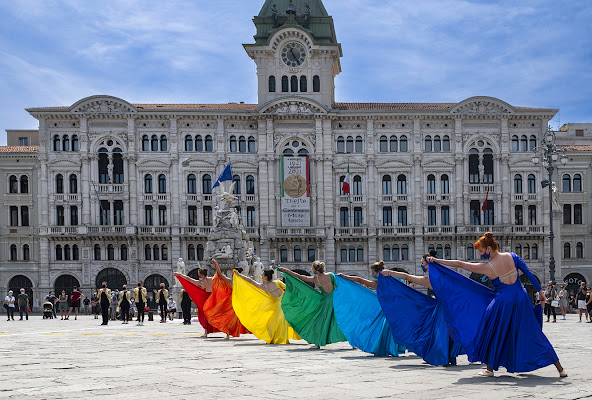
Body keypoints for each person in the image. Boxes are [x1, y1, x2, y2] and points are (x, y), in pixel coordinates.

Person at [426, 232, 566, 378]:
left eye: (481, 251)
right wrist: (540, 292)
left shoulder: (489, 266)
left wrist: (437, 261)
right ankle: (560, 369)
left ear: (488, 248)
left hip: (504, 300)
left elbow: (460, 264)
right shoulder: (512, 256)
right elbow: (529, 273)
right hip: (522, 297)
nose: (480, 254)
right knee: (532, 332)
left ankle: (490, 369)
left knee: (492, 330)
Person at [379, 256, 462, 365]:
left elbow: (407, 276)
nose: (422, 266)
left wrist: (389, 273)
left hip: (441, 311)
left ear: (429, 265)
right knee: (446, 333)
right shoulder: (444, 279)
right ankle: (449, 357)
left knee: (439, 333)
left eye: (423, 263)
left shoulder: (429, 280)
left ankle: (442, 357)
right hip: (450, 309)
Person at [334, 261, 406, 357]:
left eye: (372, 273)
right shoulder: (384, 281)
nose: (372, 275)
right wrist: (346, 277)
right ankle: (387, 349)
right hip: (391, 307)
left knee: (387, 328)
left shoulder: (387, 281)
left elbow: (361, 280)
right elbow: (360, 280)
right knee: (387, 328)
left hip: (392, 308)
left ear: (378, 272)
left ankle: (385, 349)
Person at [279, 261, 347, 349]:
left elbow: (299, 277)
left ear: (315, 269)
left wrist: (286, 270)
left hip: (326, 303)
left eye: (312, 268)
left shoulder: (316, 279)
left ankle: (318, 343)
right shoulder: (331, 275)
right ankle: (353, 342)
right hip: (336, 300)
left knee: (320, 323)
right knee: (343, 320)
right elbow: (338, 286)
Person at [232, 268, 300, 344]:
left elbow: (250, 281)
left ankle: (277, 338)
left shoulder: (264, 287)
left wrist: (239, 275)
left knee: (274, 324)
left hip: (277, 307)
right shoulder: (277, 282)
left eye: (262, 274)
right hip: (286, 304)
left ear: (266, 277)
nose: (261, 275)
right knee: (292, 321)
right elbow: (289, 288)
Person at [203, 259, 249, 339]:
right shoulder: (243, 282)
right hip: (240, 301)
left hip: (232, 302)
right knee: (239, 318)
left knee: (229, 317)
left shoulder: (231, 281)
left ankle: (228, 333)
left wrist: (216, 265)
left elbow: (220, 274)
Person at [175, 269, 219, 336]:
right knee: (215, 313)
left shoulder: (201, 282)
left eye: (199, 274)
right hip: (213, 297)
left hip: (206, 298)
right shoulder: (212, 279)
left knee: (205, 314)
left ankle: (206, 332)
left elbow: (189, 279)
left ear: (201, 275)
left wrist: (180, 275)